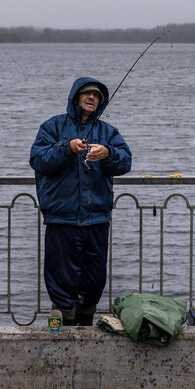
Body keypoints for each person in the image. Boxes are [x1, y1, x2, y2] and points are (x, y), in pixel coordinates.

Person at [30, 77, 132, 326]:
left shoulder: (108, 132)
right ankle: (61, 332)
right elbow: (38, 160)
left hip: (97, 217)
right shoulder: (52, 127)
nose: (91, 98)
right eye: (87, 94)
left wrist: (108, 154)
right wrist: (67, 148)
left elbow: (125, 161)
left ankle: (86, 330)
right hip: (61, 217)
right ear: (75, 97)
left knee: (94, 281)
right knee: (61, 280)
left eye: (96, 96)